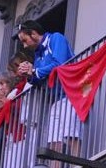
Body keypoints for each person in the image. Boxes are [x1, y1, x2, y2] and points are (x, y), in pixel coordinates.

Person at [16, 20, 81, 158]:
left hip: (69, 95)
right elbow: (39, 79)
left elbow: (59, 64)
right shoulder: (38, 55)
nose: (24, 45)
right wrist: (28, 76)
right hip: (55, 100)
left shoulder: (55, 38)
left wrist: (33, 71)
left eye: (25, 40)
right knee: (53, 142)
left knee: (70, 135)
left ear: (33, 34)